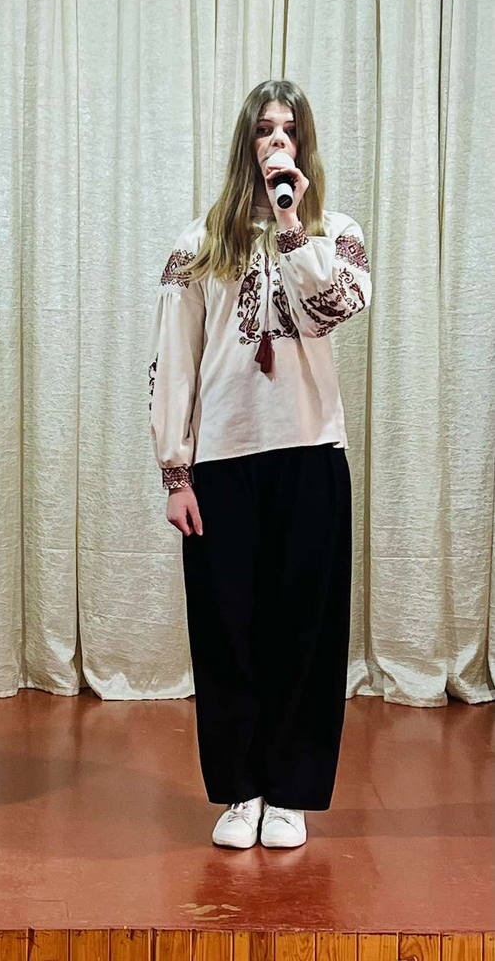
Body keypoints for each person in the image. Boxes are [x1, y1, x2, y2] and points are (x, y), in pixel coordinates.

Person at [149, 81, 371, 849]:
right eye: (264, 130)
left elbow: (334, 308)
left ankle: (290, 792)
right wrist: (175, 472)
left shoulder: (332, 233)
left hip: (308, 451)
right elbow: (173, 362)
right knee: (227, 630)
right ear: (245, 143)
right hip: (224, 459)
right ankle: (240, 790)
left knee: (303, 631)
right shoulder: (198, 243)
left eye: (289, 130)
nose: (277, 141)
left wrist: (290, 226)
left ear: (303, 145)